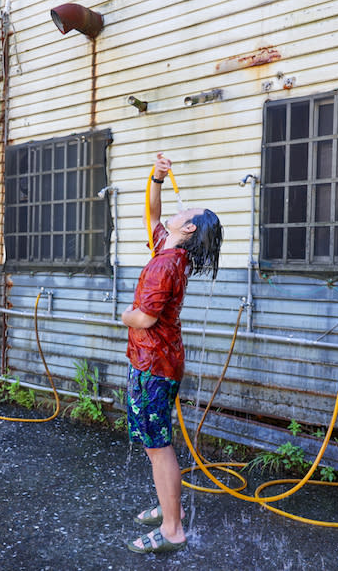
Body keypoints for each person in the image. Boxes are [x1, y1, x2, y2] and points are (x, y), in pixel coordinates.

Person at [122, 153, 223, 554]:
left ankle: (172, 529)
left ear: (190, 227)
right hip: (157, 361)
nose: (178, 212)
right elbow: (153, 214)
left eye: (186, 211)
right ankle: (169, 509)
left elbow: (145, 319)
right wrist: (157, 178)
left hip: (154, 363)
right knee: (154, 443)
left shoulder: (166, 264)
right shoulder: (170, 251)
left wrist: (124, 315)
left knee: (158, 447)